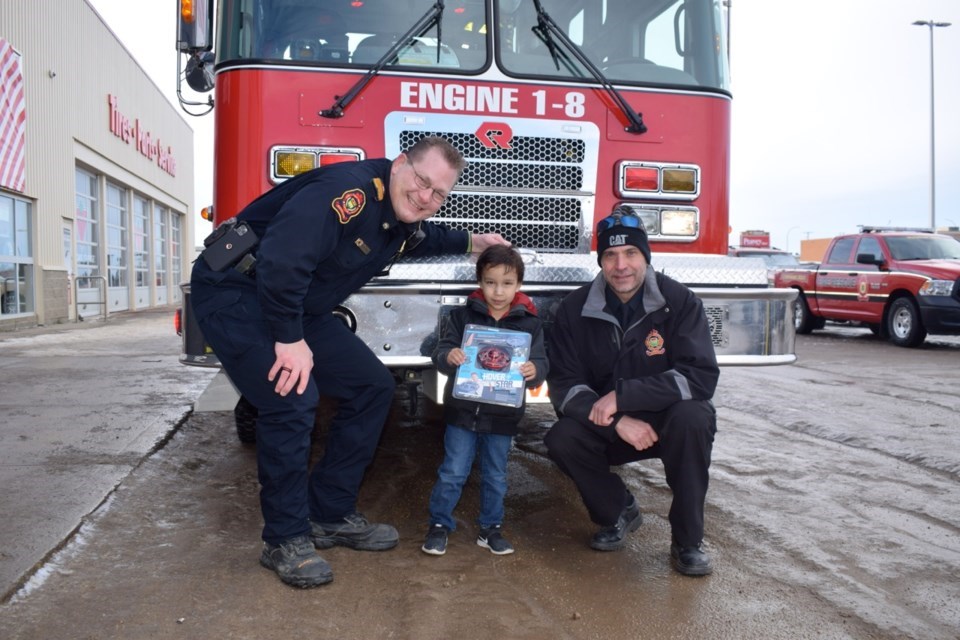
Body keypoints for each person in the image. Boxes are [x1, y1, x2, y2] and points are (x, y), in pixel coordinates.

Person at [190, 136, 508, 588]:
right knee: (292, 397)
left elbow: (420, 237)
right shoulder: (347, 192)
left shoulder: (395, 213)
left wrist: (471, 241)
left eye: (439, 194)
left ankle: (330, 514)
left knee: (371, 387)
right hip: (238, 293)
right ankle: (285, 539)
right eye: (421, 182)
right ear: (399, 165)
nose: (425, 197)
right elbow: (282, 261)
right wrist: (289, 338)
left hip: (295, 304)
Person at [543, 206, 719, 576]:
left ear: (645, 256)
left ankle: (688, 542)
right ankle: (617, 510)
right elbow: (564, 388)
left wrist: (625, 397)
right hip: (609, 426)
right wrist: (618, 420)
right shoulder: (573, 310)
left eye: (631, 253)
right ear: (601, 261)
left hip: (666, 421)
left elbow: (700, 377)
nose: (621, 265)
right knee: (561, 438)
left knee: (695, 417)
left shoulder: (680, 302)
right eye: (610, 255)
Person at [421, 245, 548, 557]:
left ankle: (491, 528)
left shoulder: (530, 324)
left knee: (495, 474)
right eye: (490, 282)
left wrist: (535, 371)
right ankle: (439, 524)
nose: (498, 291)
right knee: (453, 470)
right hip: (462, 411)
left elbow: (542, 362)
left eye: (507, 284)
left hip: (503, 416)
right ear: (480, 281)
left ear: (519, 285)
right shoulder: (462, 316)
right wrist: (448, 356)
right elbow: (440, 351)